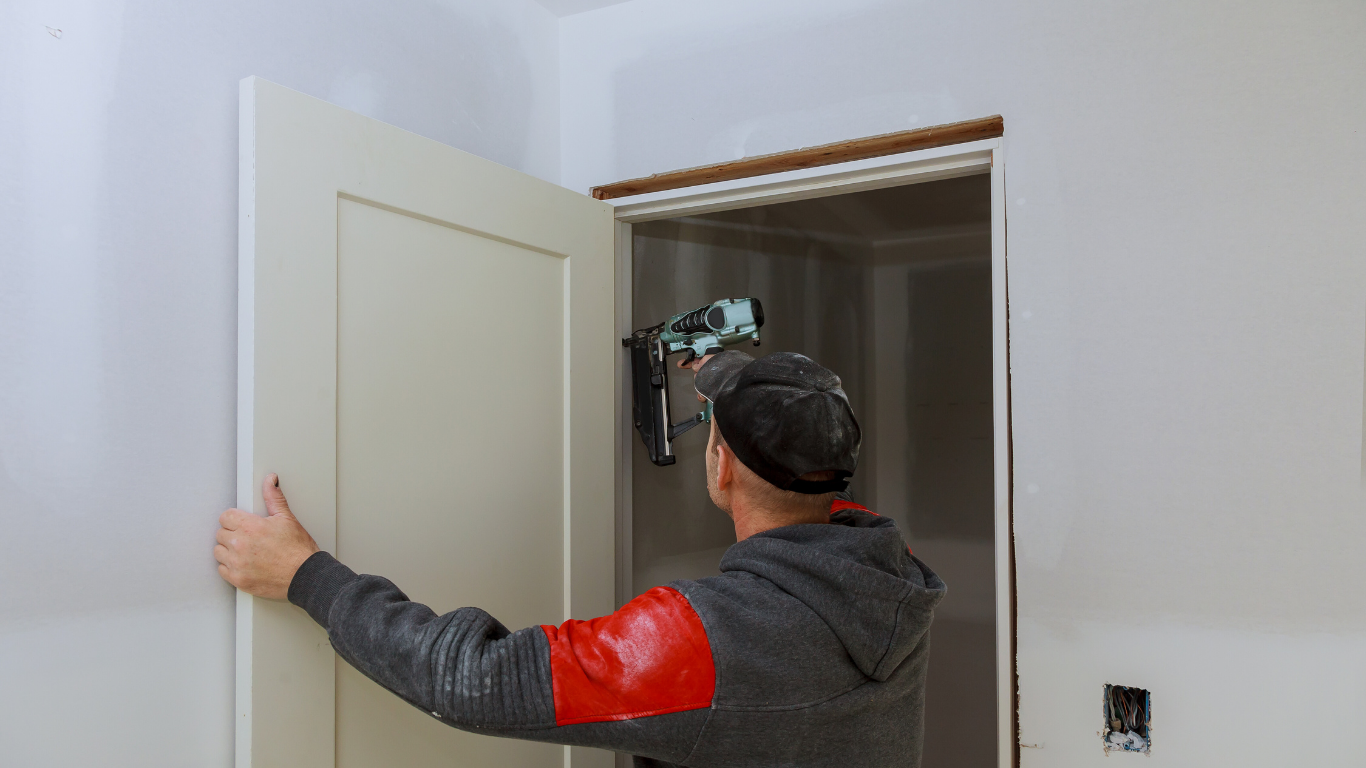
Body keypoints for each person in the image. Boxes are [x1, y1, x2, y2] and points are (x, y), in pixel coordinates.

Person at [214, 350, 945, 767]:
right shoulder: (890, 574)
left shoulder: (704, 638)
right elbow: (811, 484)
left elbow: (477, 681)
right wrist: (738, 380)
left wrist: (307, 577)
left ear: (719, 466)